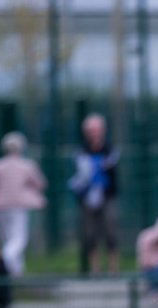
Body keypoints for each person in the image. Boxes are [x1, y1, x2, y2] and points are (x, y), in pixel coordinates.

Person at [0, 131, 47, 276]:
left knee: (8, 240)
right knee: (18, 240)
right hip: (18, 207)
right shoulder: (26, 166)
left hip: (0, 208)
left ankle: (15, 273)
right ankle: (3, 260)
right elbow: (40, 184)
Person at [68, 113, 120, 275]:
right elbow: (79, 178)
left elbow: (114, 176)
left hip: (106, 196)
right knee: (90, 234)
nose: (94, 133)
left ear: (103, 130)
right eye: (91, 130)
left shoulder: (110, 150)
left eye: (97, 130)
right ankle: (95, 270)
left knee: (110, 232)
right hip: (87, 198)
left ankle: (113, 270)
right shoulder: (81, 152)